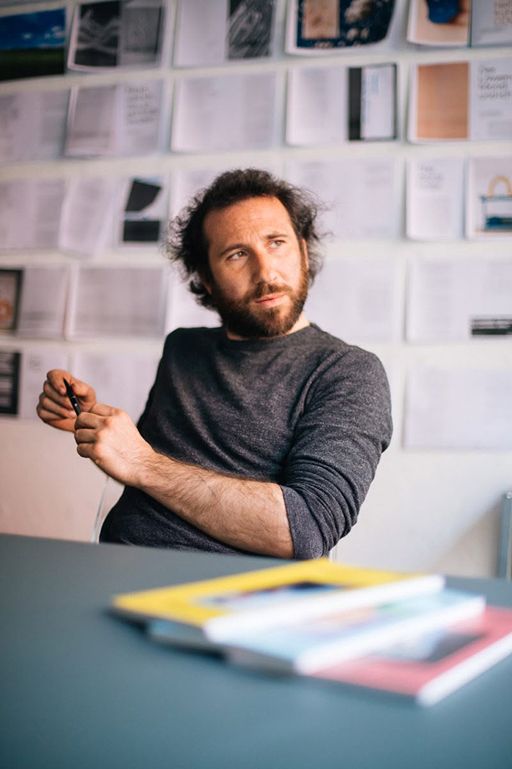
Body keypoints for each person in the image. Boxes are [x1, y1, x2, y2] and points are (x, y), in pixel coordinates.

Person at [37, 168, 392, 559]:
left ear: (304, 253)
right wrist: (92, 425)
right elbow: (150, 470)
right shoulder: (183, 349)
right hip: (116, 565)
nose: (265, 272)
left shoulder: (349, 372)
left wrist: (142, 462)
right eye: (237, 254)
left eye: (276, 243)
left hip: (228, 590)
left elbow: (307, 529)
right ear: (206, 278)